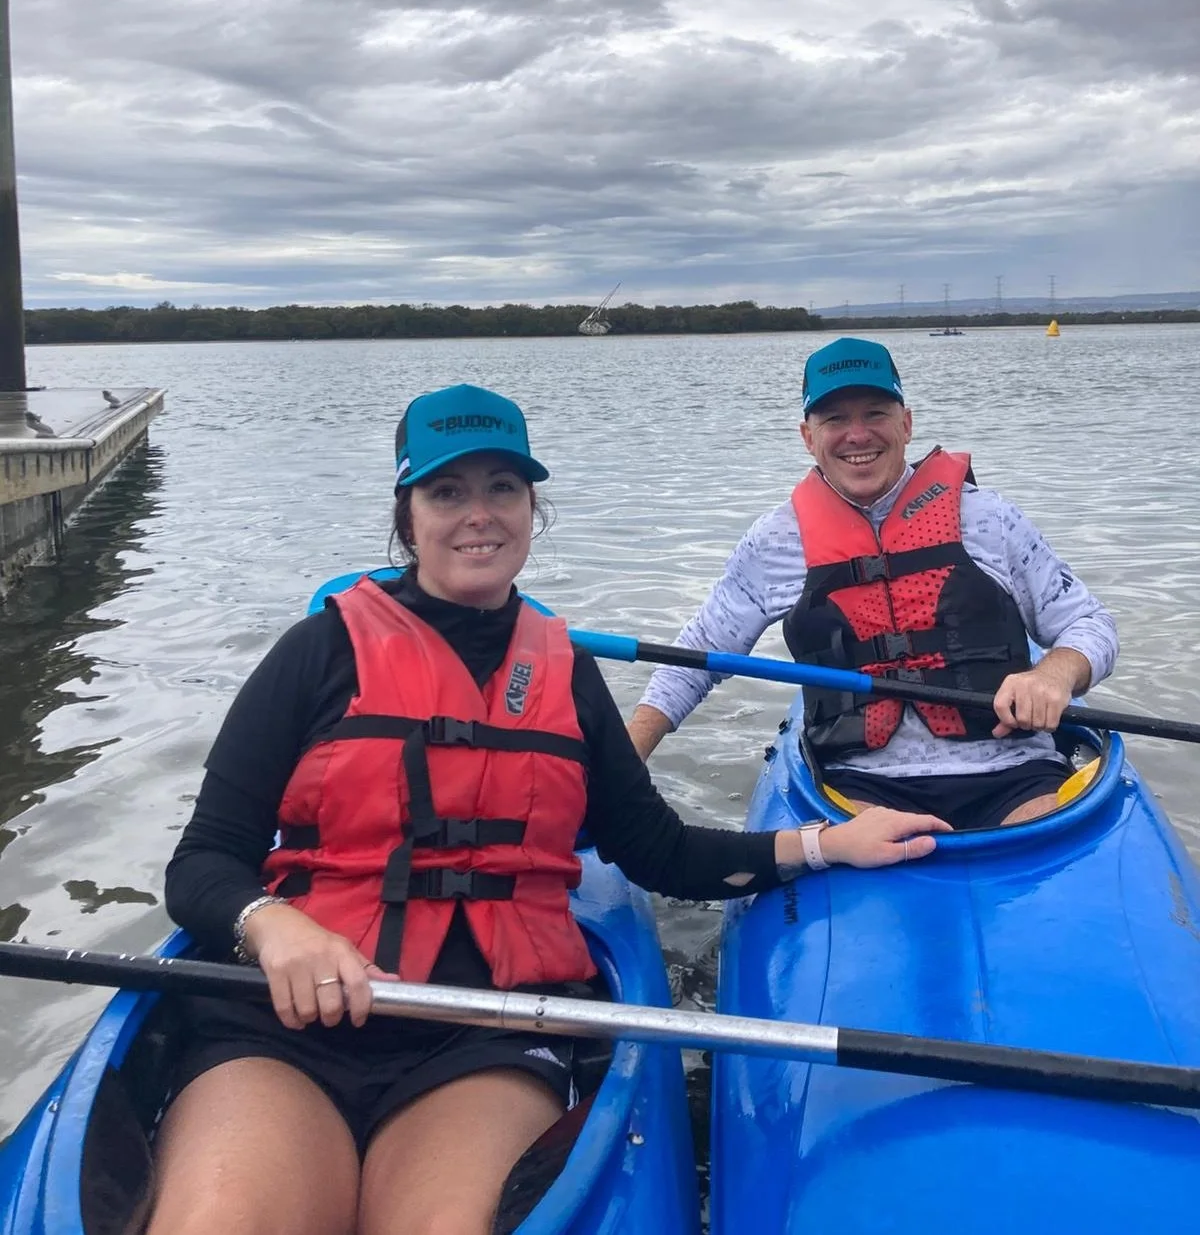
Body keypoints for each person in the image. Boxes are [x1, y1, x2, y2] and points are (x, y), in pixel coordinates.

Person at [152, 382, 945, 1235]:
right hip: (289, 1027)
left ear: (533, 508)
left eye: (503, 488)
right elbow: (203, 861)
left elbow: (656, 851)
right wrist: (273, 924)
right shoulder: (319, 652)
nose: (478, 515)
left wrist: (827, 842)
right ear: (407, 515)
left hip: (482, 1036)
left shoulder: (562, 672)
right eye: (447, 492)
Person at [628, 339, 1119, 831]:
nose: (857, 435)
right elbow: (695, 656)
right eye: (835, 419)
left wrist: (1053, 675)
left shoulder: (988, 518)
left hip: (1015, 776)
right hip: (855, 789)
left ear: (906, 423)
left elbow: (1089, 624)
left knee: (1041, 832)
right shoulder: (776, 541)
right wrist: (626, 756)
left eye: (875, 413)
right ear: (807, 435)